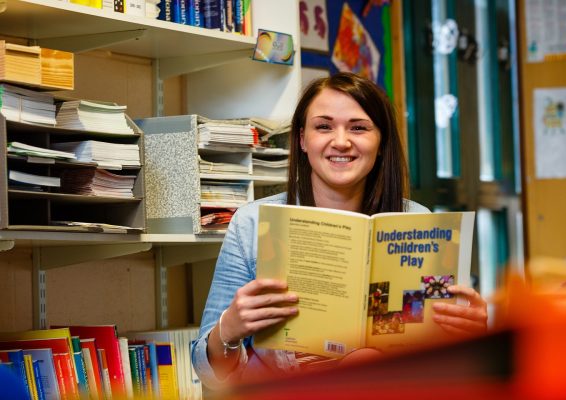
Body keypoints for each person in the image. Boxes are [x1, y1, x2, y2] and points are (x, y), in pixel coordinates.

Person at [191, 72, 488, 390]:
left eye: (359, 127)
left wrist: (468, 335)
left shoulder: (419, 222)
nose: (342, 141)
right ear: (303, 139)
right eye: (324, 126)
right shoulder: (252, 223)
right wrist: (229, 330)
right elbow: (209, 373)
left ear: (381, 141)